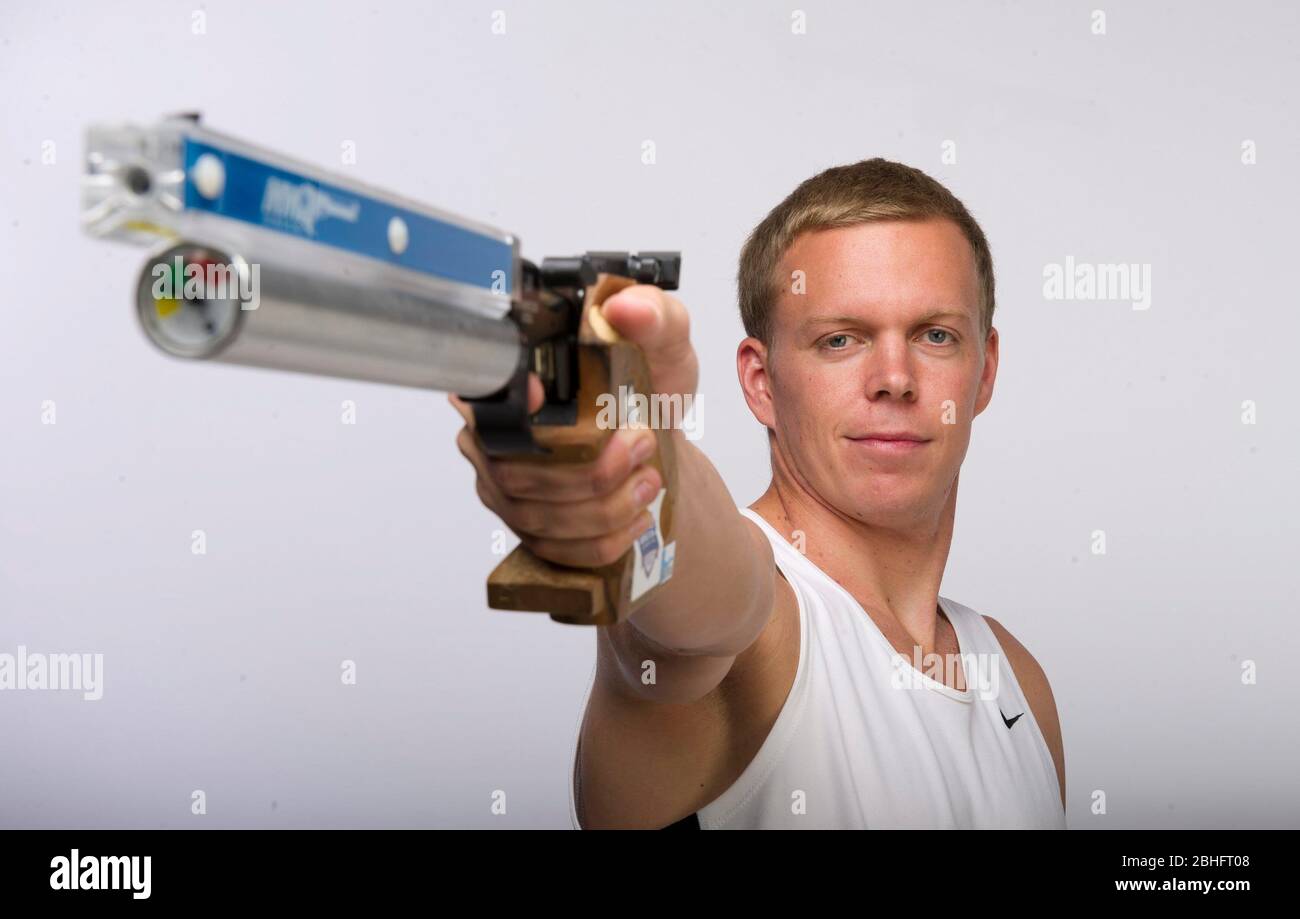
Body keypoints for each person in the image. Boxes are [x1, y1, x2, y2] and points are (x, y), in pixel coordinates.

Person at [451, 159, 1066, 829]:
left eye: (936, 335)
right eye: (840, 339)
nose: (895, 377)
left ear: (985, 371)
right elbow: (704, 609)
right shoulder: (766, 633)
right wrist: (642, 476)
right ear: (760, 381)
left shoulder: (1018, 682)